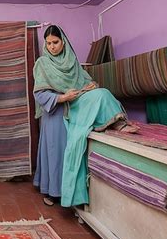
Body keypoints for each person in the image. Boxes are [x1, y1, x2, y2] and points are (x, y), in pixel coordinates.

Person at [33, 25, 137, 207]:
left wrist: (91, 86)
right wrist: (63, 97)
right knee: (57, 153)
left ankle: (118, 122)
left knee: (102, 93)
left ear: (63, 42)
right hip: (55, 112)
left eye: (55, 42)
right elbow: (39, 94)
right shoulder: (42, 63)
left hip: (75, 107)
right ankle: (54, 192)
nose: (52, 47)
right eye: (48, 43)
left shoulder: (72, 62)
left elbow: (86, 81)